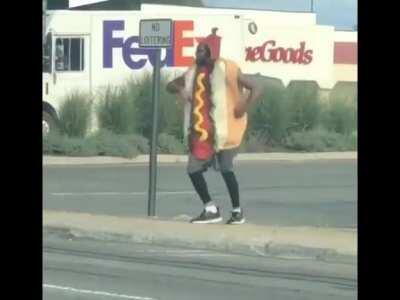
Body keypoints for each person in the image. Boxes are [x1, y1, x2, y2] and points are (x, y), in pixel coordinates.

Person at [166, 43, 263, 224]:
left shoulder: (227, 70)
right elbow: (169, 85)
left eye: (201, 50)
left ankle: (237, 212)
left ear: (211, 53)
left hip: (226, 130)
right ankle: (210, 209)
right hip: (202, 134)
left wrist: (244, 107)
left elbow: (257, 88)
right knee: (193, 169)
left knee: (226, 169)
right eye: (197, 50)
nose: (198, 53)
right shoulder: (192, 72)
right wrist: (181, 90)